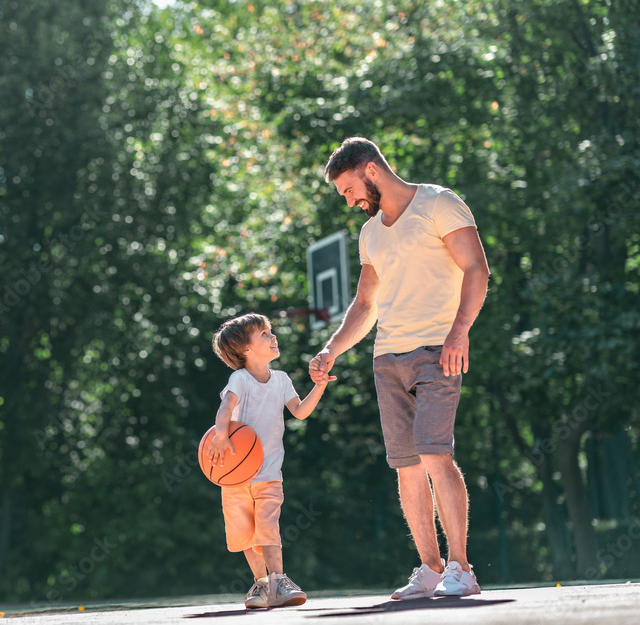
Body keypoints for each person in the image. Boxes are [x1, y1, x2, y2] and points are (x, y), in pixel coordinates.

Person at [308, 137, 490, 599]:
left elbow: (476, 269)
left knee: (435, 455)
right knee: (407, 467)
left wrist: (459, 331)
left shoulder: (438, 203)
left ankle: (461, 569)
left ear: (371, 170)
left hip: (437, 351)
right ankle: (429, 569)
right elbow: (366, 301)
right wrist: (332, 349)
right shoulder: (371, 233)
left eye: (349, 189)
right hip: (387, 359)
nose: (349, 202)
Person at [208, 312, 334, 609]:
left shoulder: (281, 380)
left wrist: (320, 385)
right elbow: (226, 406)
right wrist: (220, 435)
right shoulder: (239, 379)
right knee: (245, 535)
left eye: (271, 331)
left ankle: (279, 579)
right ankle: (261, 584)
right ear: (246, 349)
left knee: (268, 528)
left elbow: (300, 411)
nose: (273, 336)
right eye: (265, 334)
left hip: (268, 474)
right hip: (235, 475)